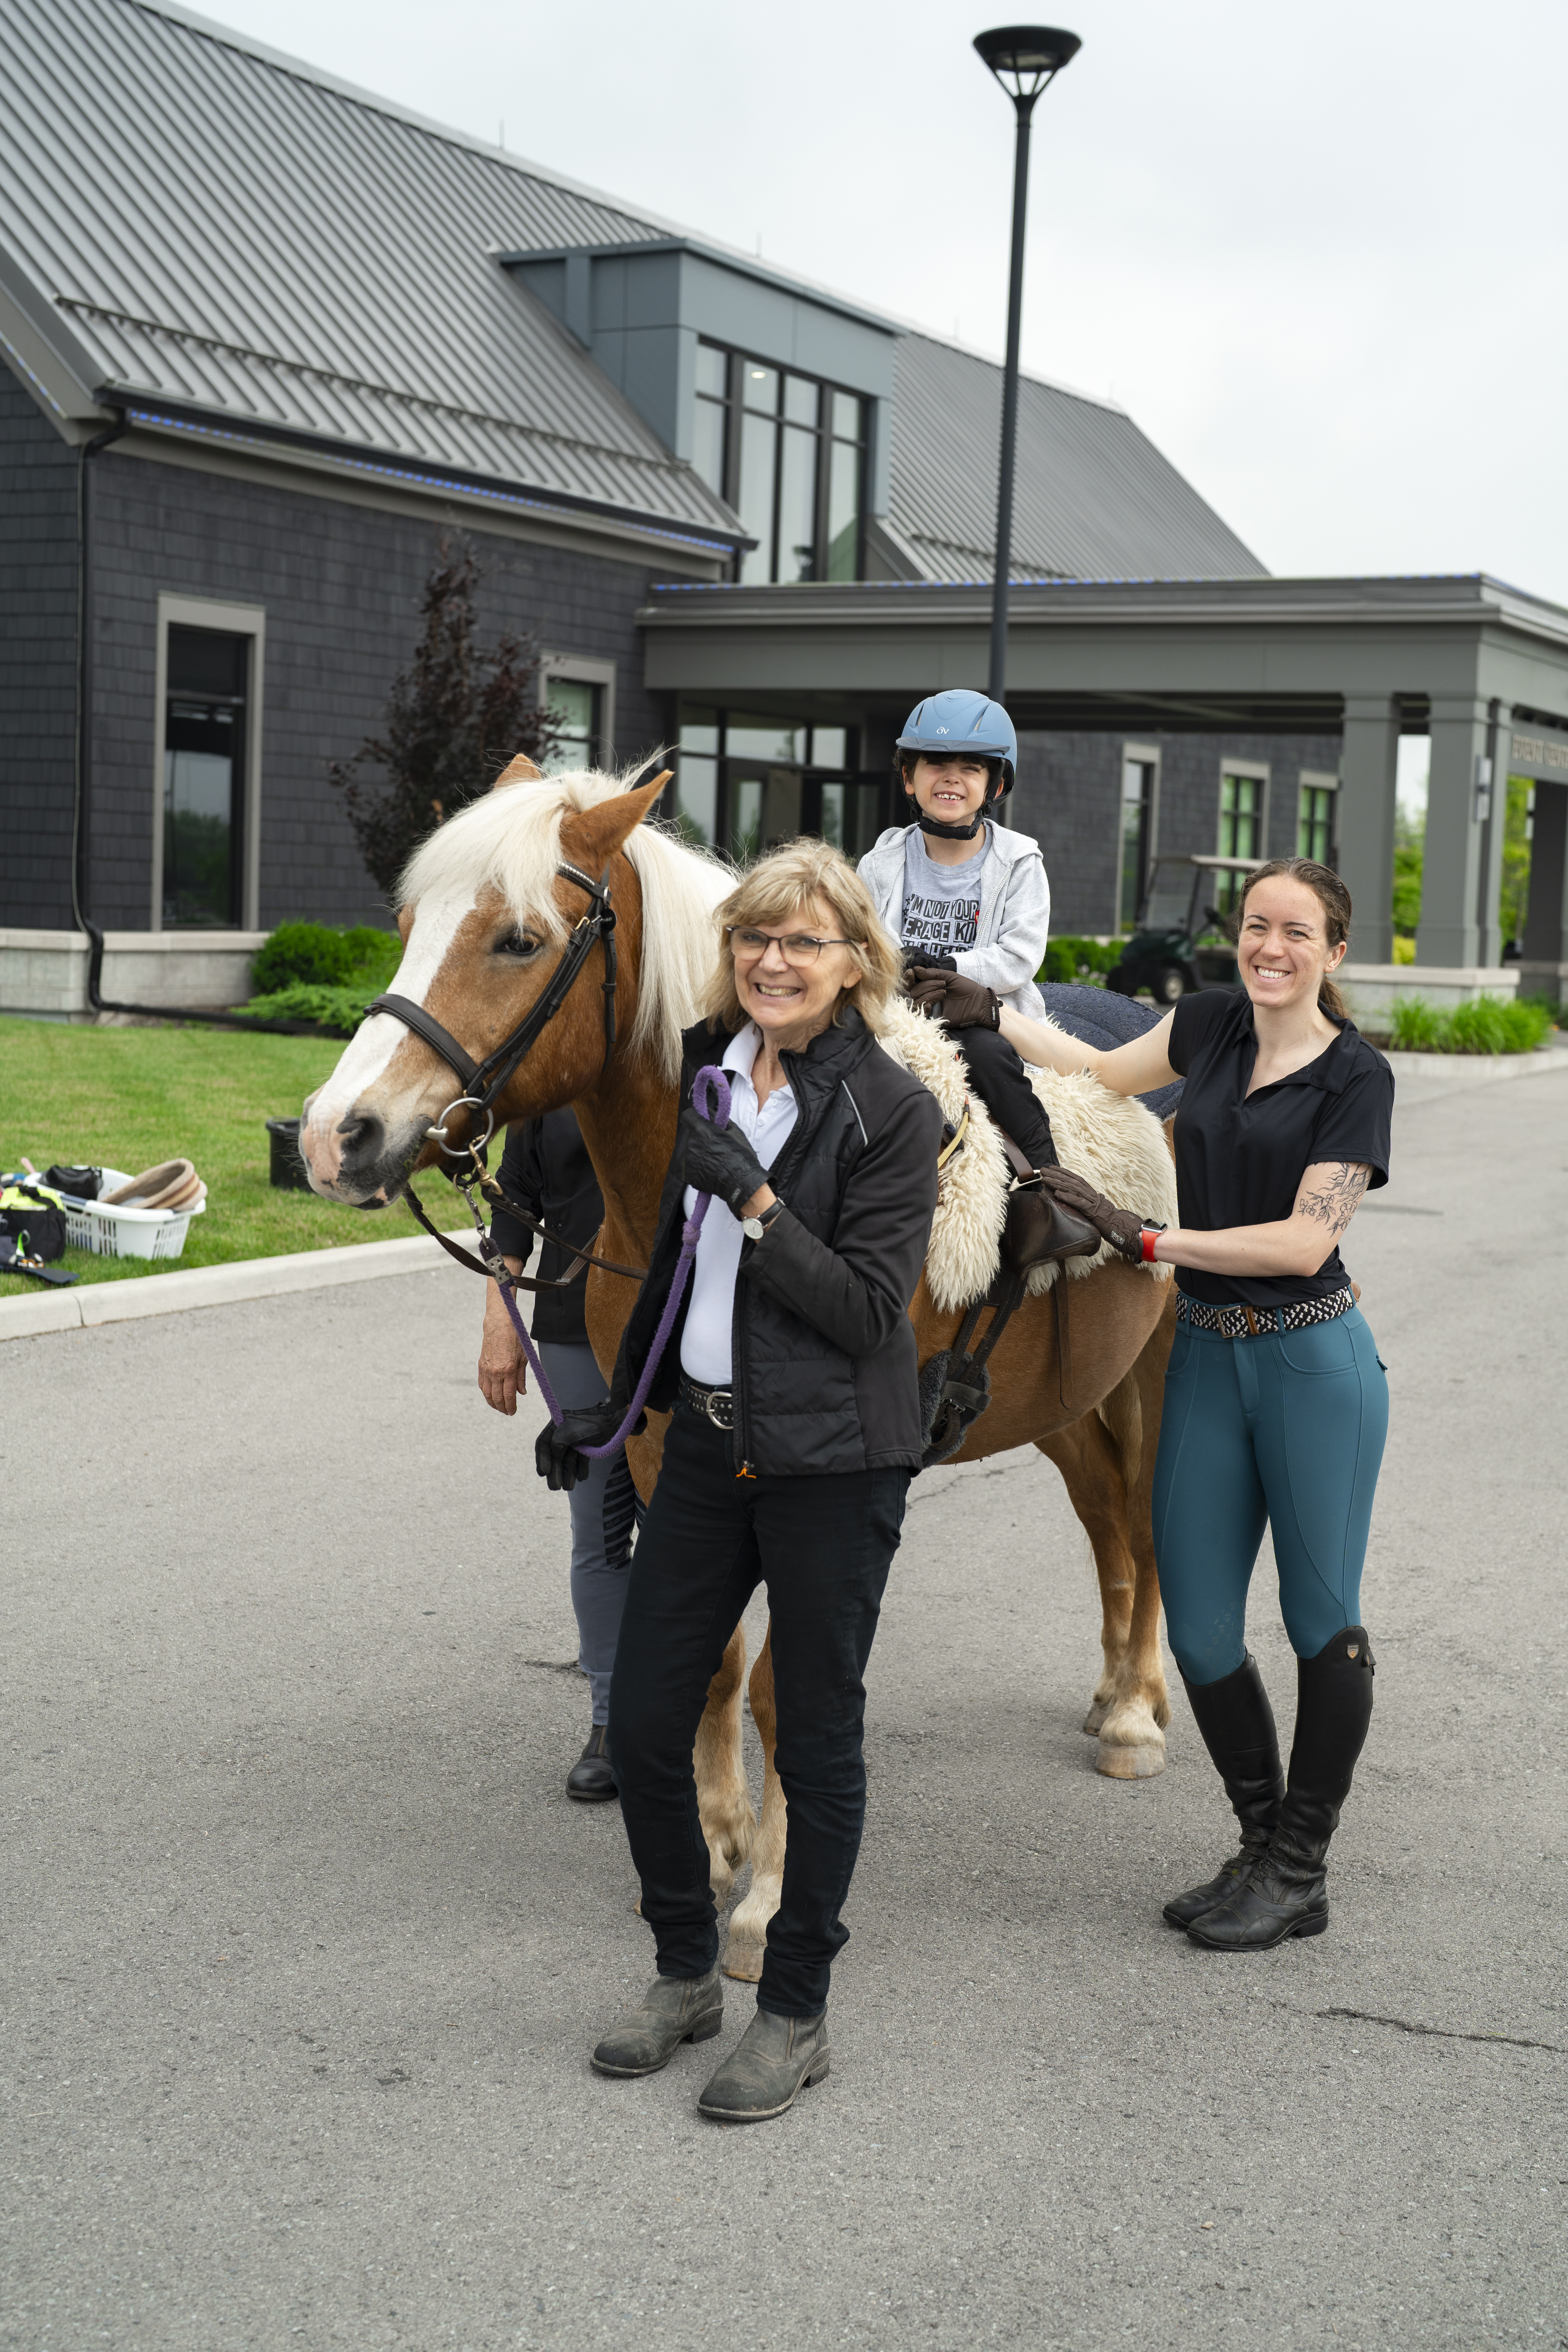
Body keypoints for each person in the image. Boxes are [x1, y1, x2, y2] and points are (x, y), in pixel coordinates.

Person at [534, 837, 941, 2122]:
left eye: (803, 941)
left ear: (855, 964)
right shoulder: (711, 1070)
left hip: (834, 1467)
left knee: (814, 1747)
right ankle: (680, 1973)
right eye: (757, 938)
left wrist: (760, 1202)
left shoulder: (891, 1109)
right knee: (651, 1723)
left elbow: (873, 1313)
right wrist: (619, 1405)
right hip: (706, 1448)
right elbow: (671, 1262)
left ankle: (795, 2012)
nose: (774, 960)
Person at [970, 858, 1392, 1951]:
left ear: (1332, 953)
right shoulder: (1209, 1026)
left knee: (1318, 1622)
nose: (1271, 947)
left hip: (1310, 1363)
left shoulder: (1356, 1078)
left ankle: (1299, 1863)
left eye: (1297, 932)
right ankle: (1261, 1849)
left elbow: (1306, 1241)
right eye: (1257, 926)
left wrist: (1152, 1241)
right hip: (1205, 1350)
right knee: (1202, 1631)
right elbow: (1102, 1072)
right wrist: (998, 1020)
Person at [857, 690, 1095, 1268]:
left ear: (996, 785)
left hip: (982, 1013)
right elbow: (862, 942)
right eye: (937, 765)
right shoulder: (881, 860)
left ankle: (1048, 1193)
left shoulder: (1019, 860)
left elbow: (1019, 956)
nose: (952, 779)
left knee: (987, 1057)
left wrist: (954, 969)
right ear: (909, 778)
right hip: (899, 1012)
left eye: (971, 768)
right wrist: (898, 967)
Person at [478, 1108, 636, 1802]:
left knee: (686, 1535)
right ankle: (610, 1722)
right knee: (598, 1528)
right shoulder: (555, 1083)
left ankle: (690, 1713)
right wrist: (501, 1324)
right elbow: (513, 1204)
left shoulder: (693, 1050)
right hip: (575, 1325)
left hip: (682, 1326)